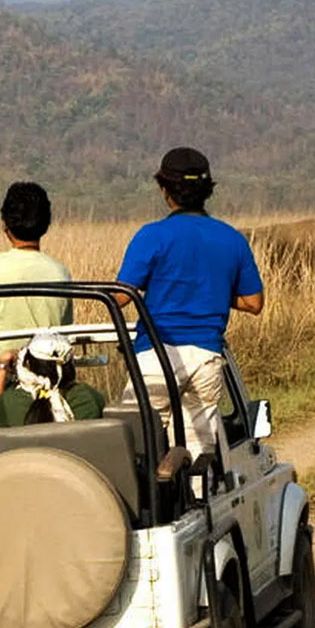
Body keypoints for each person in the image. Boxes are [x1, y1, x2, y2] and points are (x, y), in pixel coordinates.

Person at [113, 146, 264, 454]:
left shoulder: (152, 235)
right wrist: (215, 290)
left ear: (164, 188)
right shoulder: (232, 238)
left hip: (155, 355)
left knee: (137, 448)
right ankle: (196, 499)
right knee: (198, 453)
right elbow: (253, 303)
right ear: (207, 190)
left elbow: (118, 297)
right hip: (205, 357)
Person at [0, 182, 74, 375]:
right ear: (46, 225)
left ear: (4, 225)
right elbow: (63, 329)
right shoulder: (61, 272)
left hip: (0, 380)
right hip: (47, 378)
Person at [0, 328, 104, 427]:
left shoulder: (9, 402)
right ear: (69, 365)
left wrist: (2, 365)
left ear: (28, 364)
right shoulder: (87, 397)